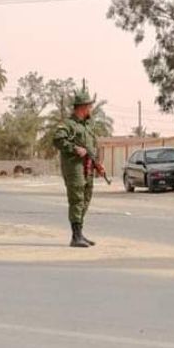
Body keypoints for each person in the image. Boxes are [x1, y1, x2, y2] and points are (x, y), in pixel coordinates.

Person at [52, 89, 104, 248]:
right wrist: (74, 148)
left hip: (87, 167)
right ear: (81, 107)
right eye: (89, 106)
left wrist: (98, 165)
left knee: (86, 199)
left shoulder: (88, 126)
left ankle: (80, 233)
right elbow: (57, 140)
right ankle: (75, 237)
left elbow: (90, 148)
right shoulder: (68, 124)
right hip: (74, 167)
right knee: (77, 200)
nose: (90, 109)